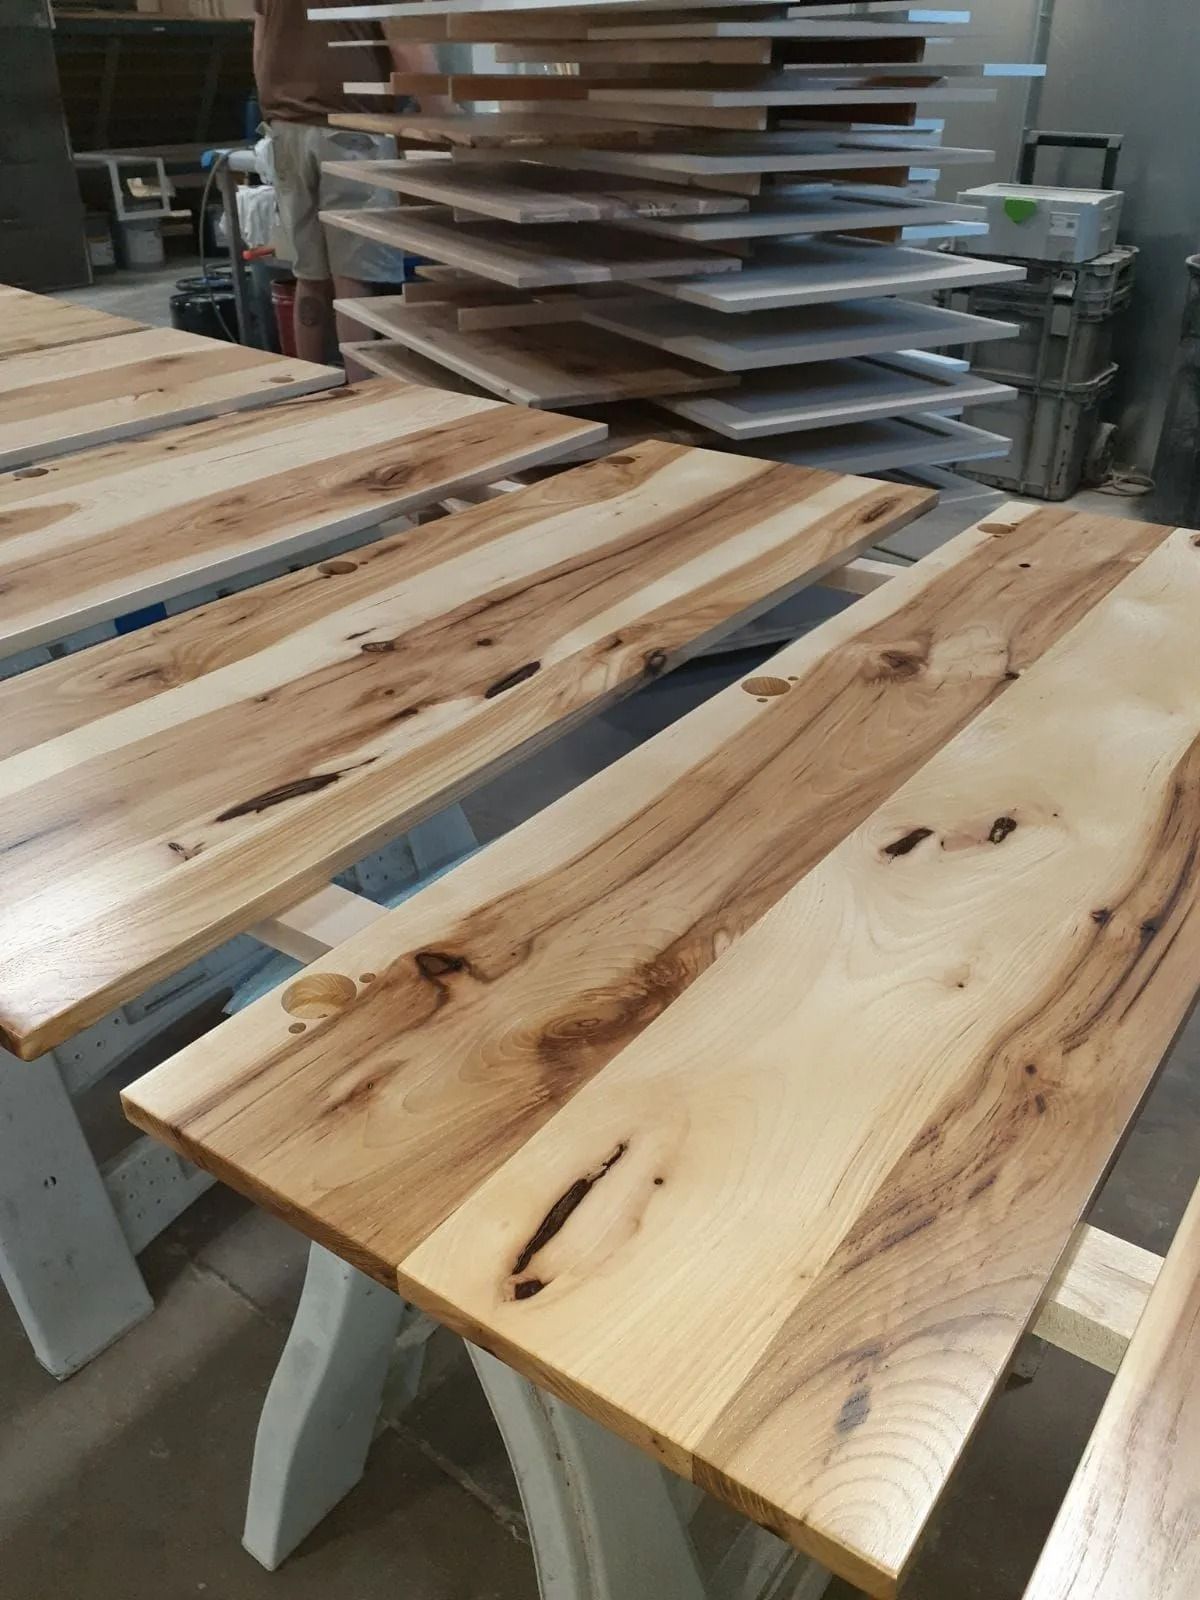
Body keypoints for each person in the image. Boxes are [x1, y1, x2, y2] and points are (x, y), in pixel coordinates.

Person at [252, 0, 443, 365]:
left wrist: (276, 109)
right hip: (353, 128)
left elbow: (260, 40)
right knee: (353, 277)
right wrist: (444, 112)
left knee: (308, 273)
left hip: (287, 126)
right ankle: (360, 389)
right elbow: (406, 41)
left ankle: (311, 382)